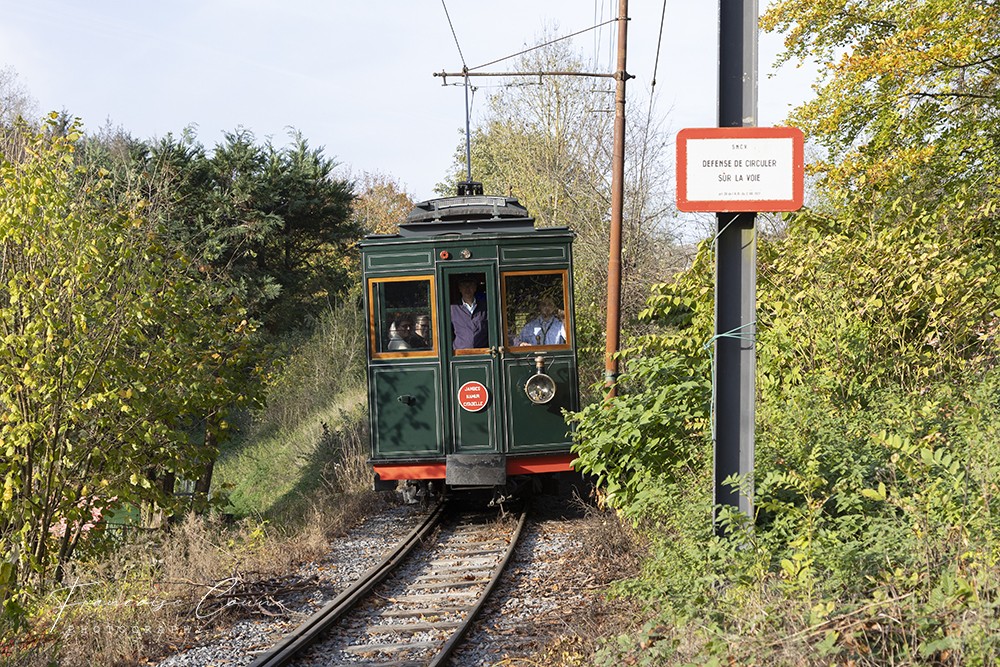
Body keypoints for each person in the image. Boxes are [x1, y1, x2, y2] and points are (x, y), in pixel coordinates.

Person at [451, 275, 488, 349]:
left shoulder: (485, 307)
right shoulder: (453, 308)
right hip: (460, 353)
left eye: (470, 285)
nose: (467, 288)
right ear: (460, 288)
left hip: (482, 352)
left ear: (475, 288)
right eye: (464, 285)